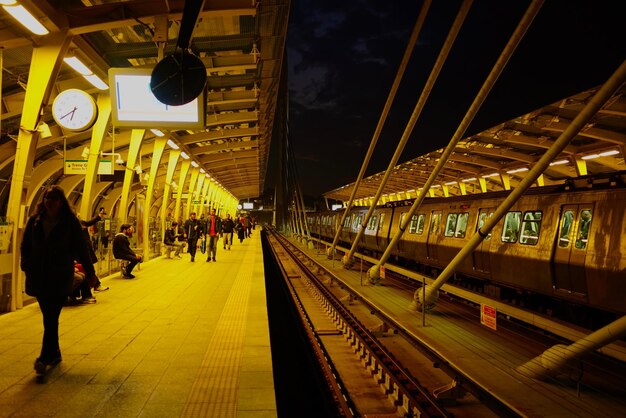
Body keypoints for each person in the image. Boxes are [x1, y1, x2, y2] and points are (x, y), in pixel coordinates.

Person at [20, 185, 96, 376]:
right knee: (49, 317)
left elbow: (81, 249)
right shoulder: (35, 221)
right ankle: (54, 353)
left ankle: (45, 357)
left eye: (53, 198)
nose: (49, 201)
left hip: (60, 276)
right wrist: (26, 264)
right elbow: (25, 245)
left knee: (51, 317)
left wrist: (91, 273)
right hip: (39, 275)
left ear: (61, 201)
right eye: (47, 197)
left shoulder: (70, 222)